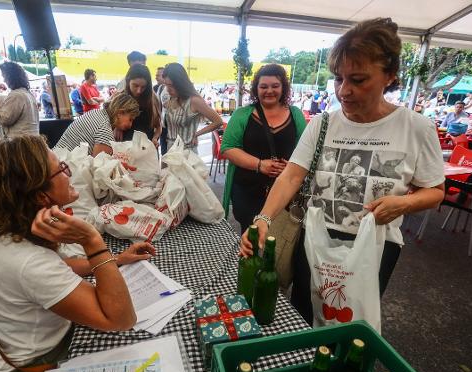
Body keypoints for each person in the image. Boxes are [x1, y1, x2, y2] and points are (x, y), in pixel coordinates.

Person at [240, 17, 445, 325]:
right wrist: (264, 218)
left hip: (373, 246)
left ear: (389, 75)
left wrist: (404, 203)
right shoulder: (324, 123)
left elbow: (435, 191)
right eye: (338, 79)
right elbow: (292, 175)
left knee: (353, 323)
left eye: (358, 80)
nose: (344, 91)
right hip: (315, 240)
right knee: (303, 315)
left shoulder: (416, 127)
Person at [0, 135, 154, 372]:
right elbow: (121, 318)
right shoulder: (27, 262)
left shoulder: (3, 233)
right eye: (62, 169)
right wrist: (93, 241)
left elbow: (59, 268)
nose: (70, 173)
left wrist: (114, 260)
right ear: (40, 195)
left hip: (16, 352)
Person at [221, 64, 306, 232]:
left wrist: (290, 167)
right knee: (251, 234)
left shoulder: (296, 114)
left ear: (283, 88)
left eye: (275, 86)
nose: (269, 91)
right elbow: (228, 148)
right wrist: (260, 165)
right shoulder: (242, 115)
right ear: (256, 89)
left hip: (285, 191)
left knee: (281, 236)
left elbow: (305, 151)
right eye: (263, 86)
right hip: (247, 190)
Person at [162, 62, 223, 153]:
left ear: (180, 83)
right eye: (166, 85)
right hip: (170, 149)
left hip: (187, 152)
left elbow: (218, 121)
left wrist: (196, 134)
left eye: (171, 85)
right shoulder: (171, 98)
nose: (167, 89)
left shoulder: (194, 100)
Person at [54, 92, 139, 156]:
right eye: (130, 119)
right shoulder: (104, 130)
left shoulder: (96, 113)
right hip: (60, 170)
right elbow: (100, 171)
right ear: (120, 112)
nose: (130, 125)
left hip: (54, 160)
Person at [0, 61, 39, 138]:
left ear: (11, 77)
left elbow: (4, 119)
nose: (4, 80)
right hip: (30, 141)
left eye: (4, 77)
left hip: (20, 143)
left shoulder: (16, 95)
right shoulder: (27, 94)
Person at [118, 64, 161, 146]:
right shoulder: (119, 98)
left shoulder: (153, 99)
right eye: (135, 85)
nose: (139, 91)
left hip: (147, 150)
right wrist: (116, 127)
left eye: (143, 87)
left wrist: (155, 138)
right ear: (128, 81)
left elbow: (159, 126)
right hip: (125, 149)